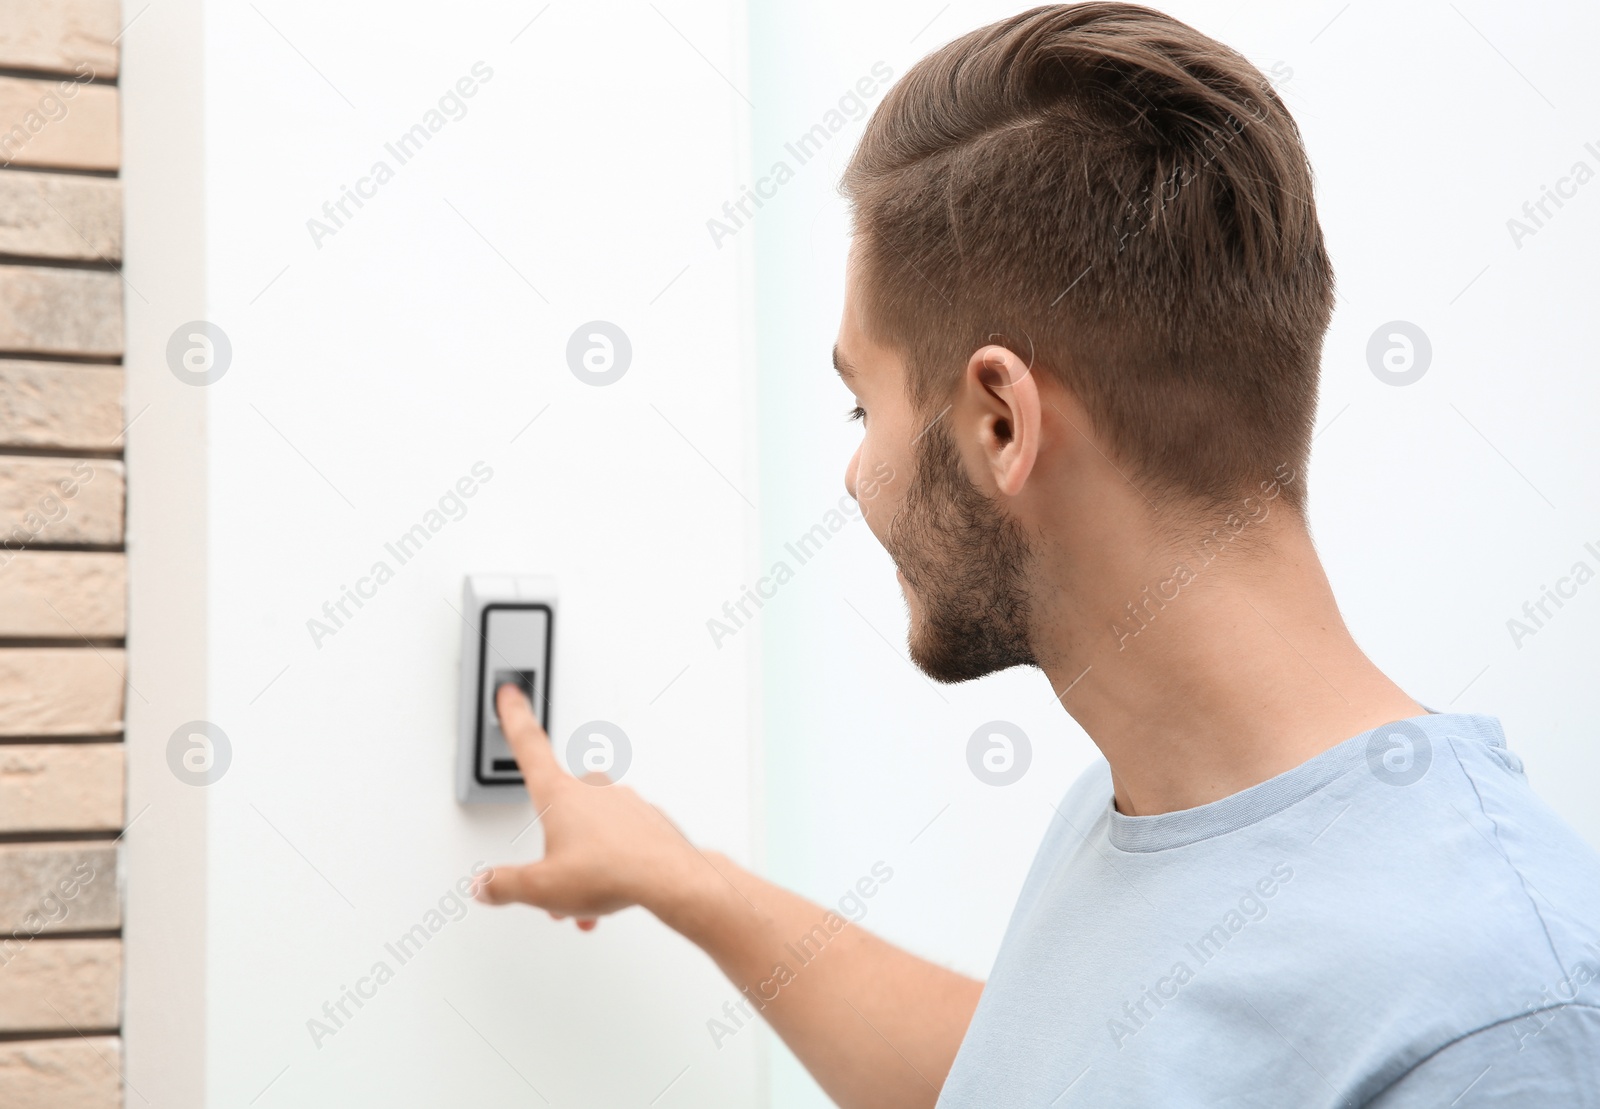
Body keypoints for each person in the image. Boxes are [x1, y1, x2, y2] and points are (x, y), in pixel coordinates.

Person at [475, 3, 1600, 1104]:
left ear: (1000, 422)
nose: (856, 477)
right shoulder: (1132, 810)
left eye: (858, 408)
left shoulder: (1493, 1015)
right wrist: (689, 880)